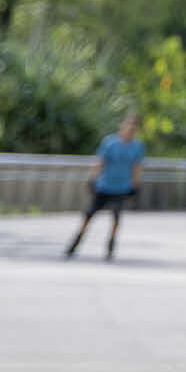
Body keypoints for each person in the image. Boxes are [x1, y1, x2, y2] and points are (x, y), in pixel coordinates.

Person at [64, 110, 145, 260]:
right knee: (89, 215)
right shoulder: (110, 142)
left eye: (134, 126)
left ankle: (110, 246)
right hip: (105, 185)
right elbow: (100, 161)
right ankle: (76, 241)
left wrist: (135, 185)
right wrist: (93, 179)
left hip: (122, 187)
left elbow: (137, 167)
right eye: (128, 124)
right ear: (122, 125)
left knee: (116, 217)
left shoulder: (137, 146)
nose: (130, 128)